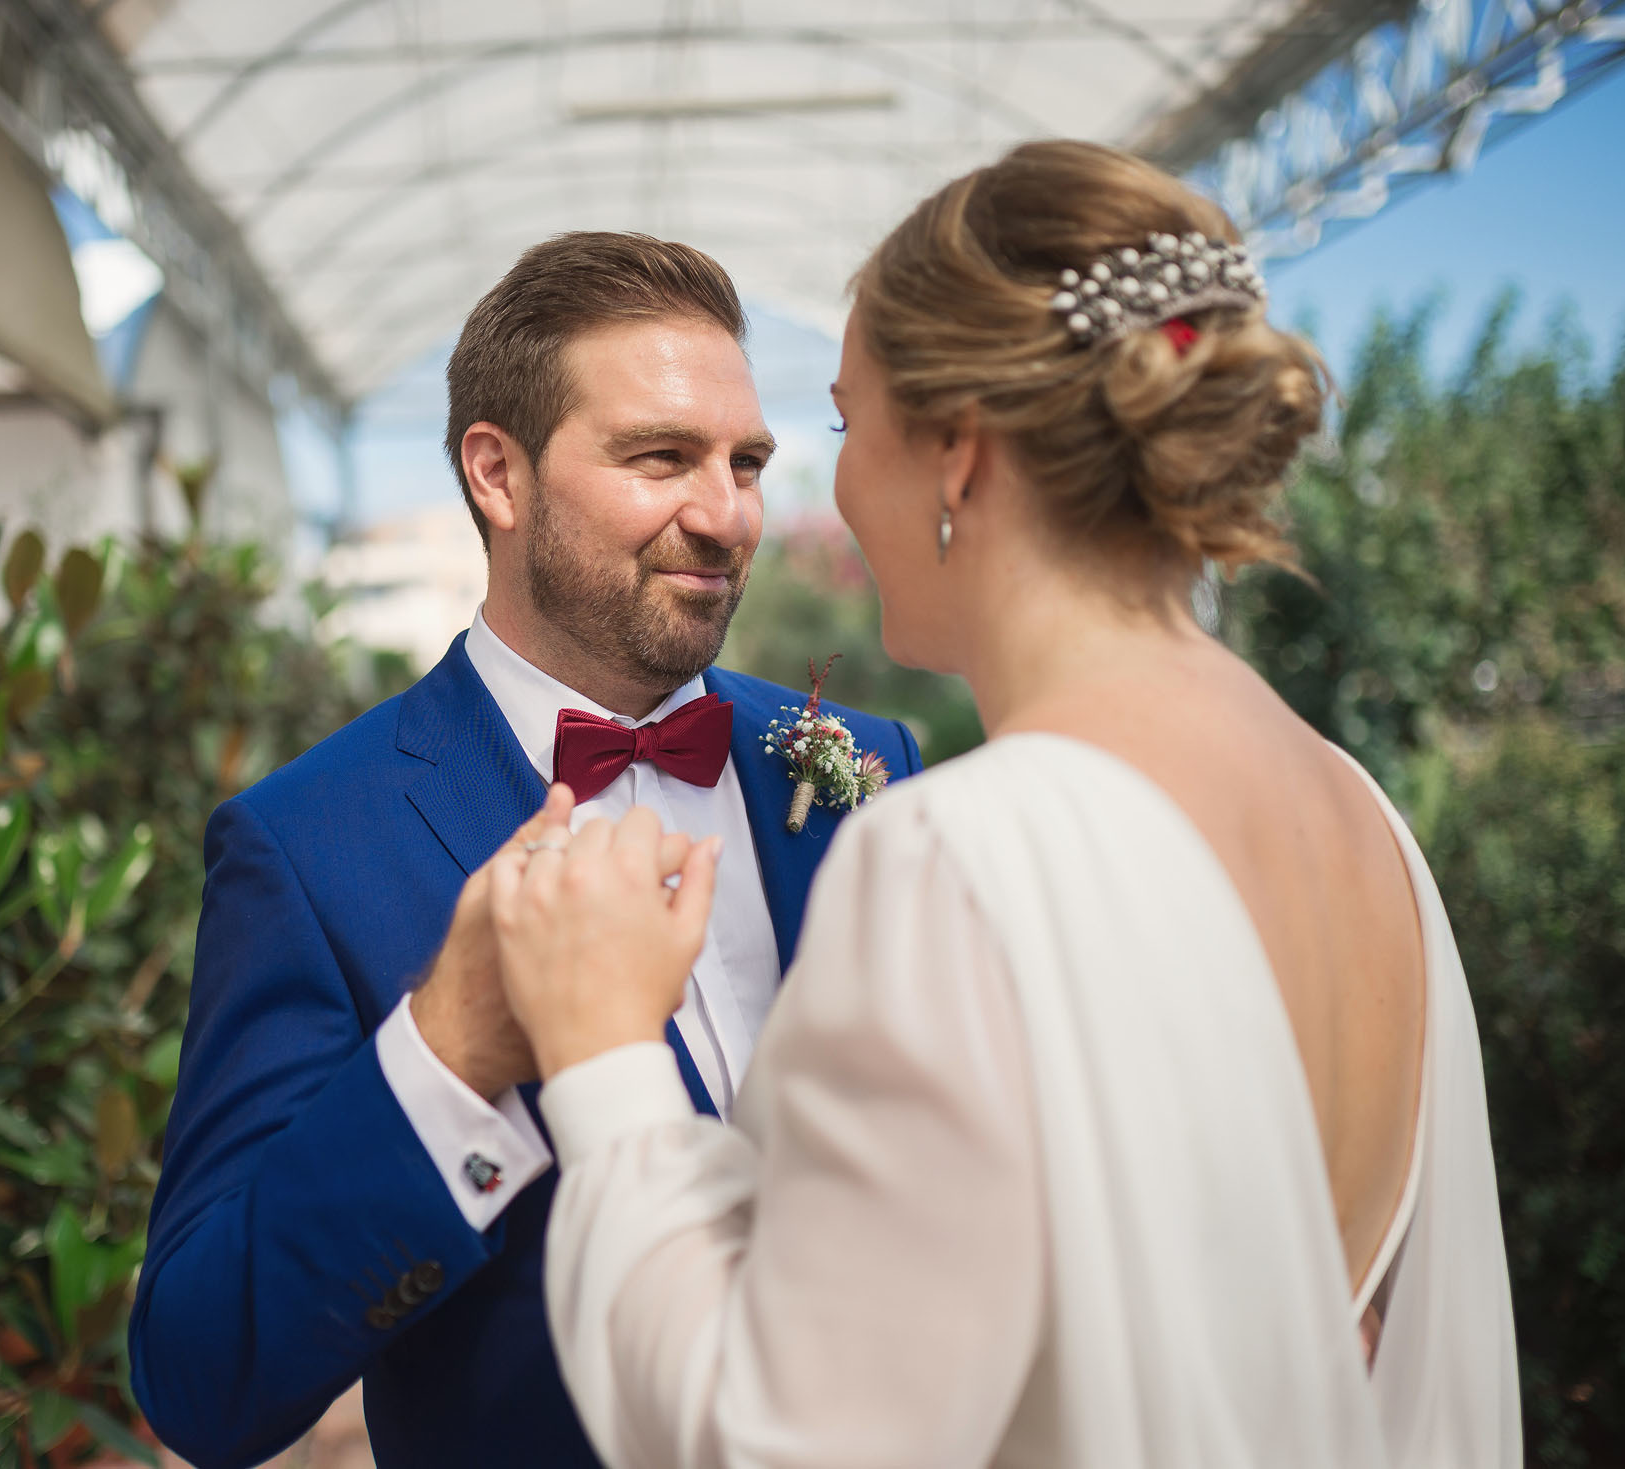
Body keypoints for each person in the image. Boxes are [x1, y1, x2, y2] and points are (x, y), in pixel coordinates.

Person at [488, 141, 1523, 1467]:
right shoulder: (1362, 816)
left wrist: (602, 1059)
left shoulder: (964, 861)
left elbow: (778, 1442)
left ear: (960, 455)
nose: (807, 497)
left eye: (850, 426)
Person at [128, 232, 922, 1469]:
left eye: (747, 462)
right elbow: (198, 1374)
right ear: (498, 474)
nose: (725, 516)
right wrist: (442, 1062)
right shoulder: (306, 843)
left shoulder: (863, 764)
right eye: (661, 456)